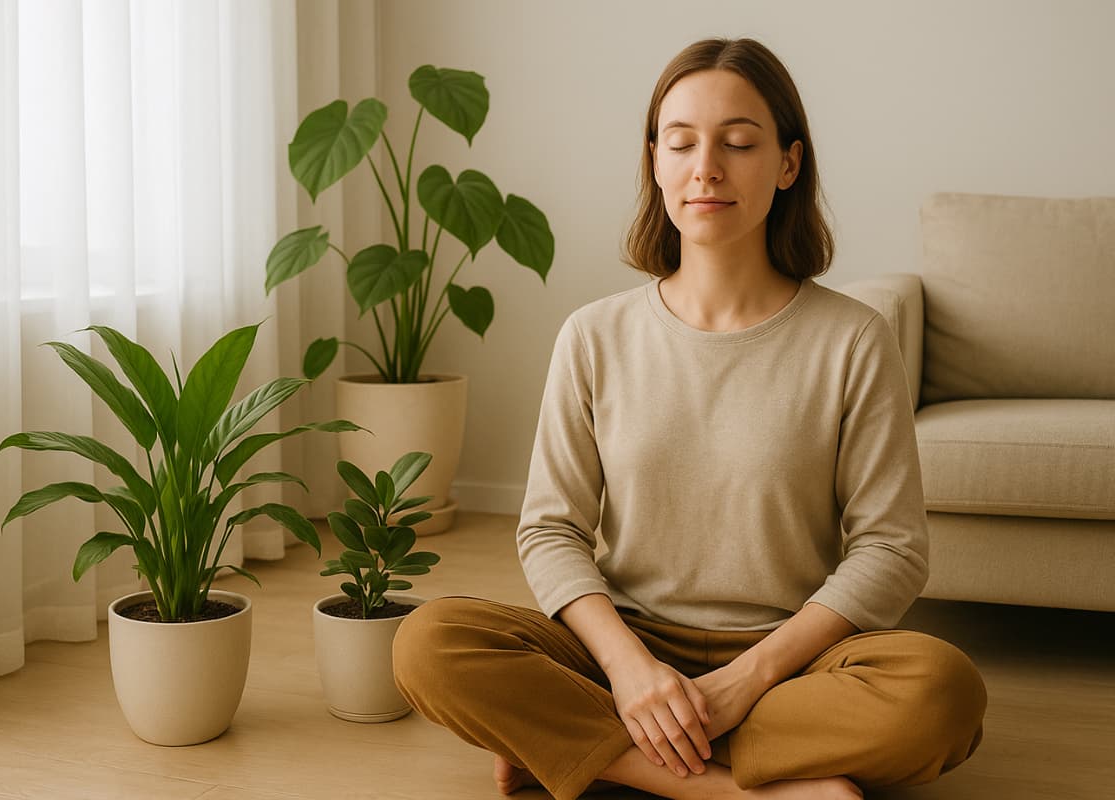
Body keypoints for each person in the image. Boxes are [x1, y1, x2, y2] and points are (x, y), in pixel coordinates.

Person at [392, 37, 987, 800]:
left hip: (790, 661)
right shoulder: (593, 334)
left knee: (944, 691)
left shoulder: (853, 338)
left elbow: (892, 547)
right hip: (626, 638)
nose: (707, 166)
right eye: (681, 144)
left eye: (739, 143)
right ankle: (719, 782)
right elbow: (549, 530)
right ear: (656, 164)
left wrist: (747, 679)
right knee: (427, 644)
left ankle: (588, 746)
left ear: (788, 165)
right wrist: (630, 669)